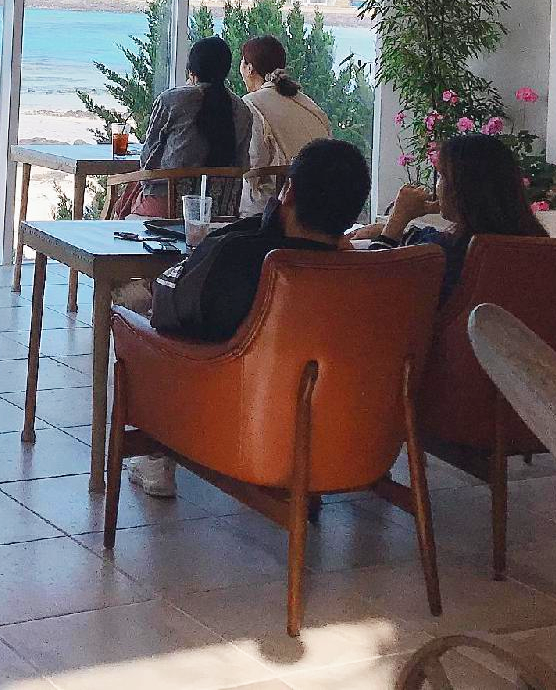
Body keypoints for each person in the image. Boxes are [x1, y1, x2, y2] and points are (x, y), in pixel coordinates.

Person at [122, 135, 373, 496]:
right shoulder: (368, 274)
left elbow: (169, 307)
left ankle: (156, 456)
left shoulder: (241, 257)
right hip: (339, 433)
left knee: (147, 323)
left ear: (289, 191)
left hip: (246, 425)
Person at [354, 132, 546, 302]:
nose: (437, 186)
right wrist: (398, 230)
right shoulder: (536, 245)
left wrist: (396, 221)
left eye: (441, 176)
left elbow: (370, 285)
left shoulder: (445, 255)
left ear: (462, 188)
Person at [126, 37, 254, 218]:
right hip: (219, 210)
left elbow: (148, 157)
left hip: (169, 205)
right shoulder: (242, 110)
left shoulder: (172, 100)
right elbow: (243, 164)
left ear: (191, 70)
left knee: (125, 198)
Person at [238, 35, 330, 216]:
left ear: (249, 68)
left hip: (275, 206)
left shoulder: (252, 104)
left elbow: (254, 161)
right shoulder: (308, 104)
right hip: (316, 203)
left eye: (242, 63)